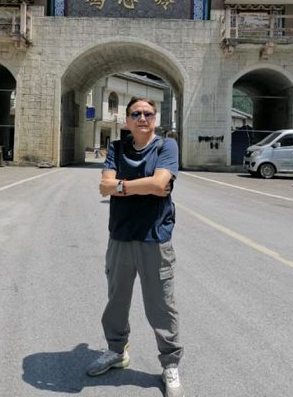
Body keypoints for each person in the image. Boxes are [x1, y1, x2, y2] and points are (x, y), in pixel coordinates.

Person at [86, 97, 184, 397]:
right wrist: (146, 185)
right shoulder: (117, 148)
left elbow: (160, 184)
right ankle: (117, 351)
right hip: (120, 236)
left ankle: (170, 364)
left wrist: (122, 186)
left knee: (161, 305)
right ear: (127, 120)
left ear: (155, 119)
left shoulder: (166, 146)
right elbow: (105, 185)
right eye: (136, 113)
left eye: (148, 114)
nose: (143, 118)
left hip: (155, 238)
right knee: (116, 301)